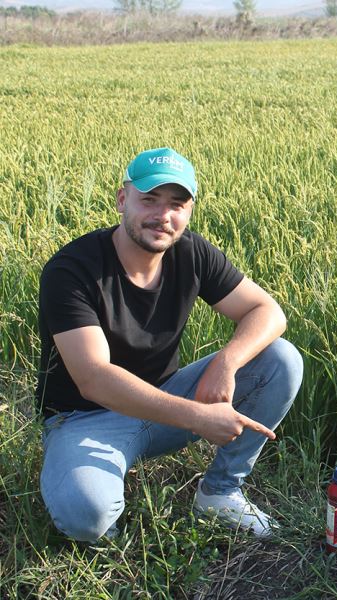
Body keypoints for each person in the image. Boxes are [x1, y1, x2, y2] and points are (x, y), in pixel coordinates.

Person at [36, 147, 303, 542]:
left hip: (164, 400)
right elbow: (93, 378)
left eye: (177, 204)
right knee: (85, 514)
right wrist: (197, 416)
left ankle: (220, 493)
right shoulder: (73, 270)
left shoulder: (191, 253)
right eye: (149, 200)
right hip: (84, 419)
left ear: (189, 211)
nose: (163, 216)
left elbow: (268, 312)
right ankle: (96, 492)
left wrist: (226, 363)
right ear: (122, 200)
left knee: (280, 358)